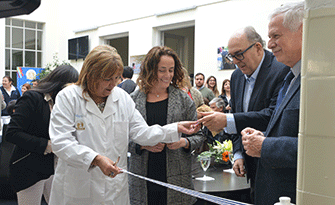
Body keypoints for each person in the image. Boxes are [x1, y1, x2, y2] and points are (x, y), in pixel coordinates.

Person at [48, 45, 199, 205]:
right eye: (107, 79)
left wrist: (175, 128)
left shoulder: (122, 98)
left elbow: (142, 133)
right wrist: (95, 159)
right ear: (91, 75)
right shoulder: (68, 98)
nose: (113, 84)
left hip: (114, 190)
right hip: (78, 189)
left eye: (116, 78)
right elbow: (60, 142)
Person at [198, 25, 290, 203]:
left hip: (273, 166)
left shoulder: (281, 70)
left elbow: (272, 116)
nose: (235, 61)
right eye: (231, 56)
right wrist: (239, 153)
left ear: (257, 47)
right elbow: (240, 118)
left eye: (239, 54)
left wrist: (226, 120)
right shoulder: (237, 77)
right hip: (249, 167)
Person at [240, 2, 304, 204]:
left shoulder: (318, 83)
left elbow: (321, 148)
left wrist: (266, 146)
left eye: (276, 36)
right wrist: (264, 137)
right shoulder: (291, 78)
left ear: (303, 31)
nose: (270, 44)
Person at [128, 46, 204, 205]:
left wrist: (183, 142)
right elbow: (122, 137)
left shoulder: (183, 100)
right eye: (162, 70)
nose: (167, 75)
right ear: (150, 70)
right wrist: (142, 146)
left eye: (171, 70)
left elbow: (200, 135)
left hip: (176, 176)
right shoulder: (133, 100)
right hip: (143, 175)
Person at [6, 65, 79, 205]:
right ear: (61, 84)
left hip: (54, 167)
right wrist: (47, 145)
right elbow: (13, 133)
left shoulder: (62, 102)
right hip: (29, 167)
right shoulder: (32, 97)